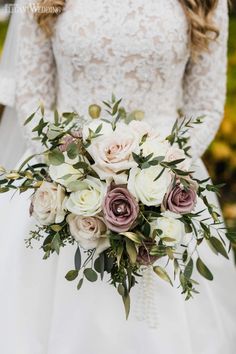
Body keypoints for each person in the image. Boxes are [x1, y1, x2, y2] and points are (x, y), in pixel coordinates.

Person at [0, 0, 235, 353]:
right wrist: (75, 171)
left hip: (167, 187)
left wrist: (158, 173)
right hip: (65, 182)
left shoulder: (206, 3)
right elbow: (33, 99)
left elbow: (206, 106)